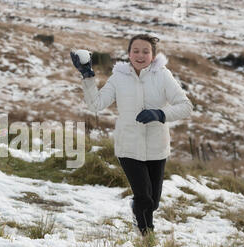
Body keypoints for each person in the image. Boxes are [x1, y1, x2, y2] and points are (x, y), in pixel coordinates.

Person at [70, 34, 193, 236]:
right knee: (143, 198)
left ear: (153, 55)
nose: (140, 55)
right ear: (129, 54)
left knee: (153, 203)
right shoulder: (119, 77)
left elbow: (186, 106)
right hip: (128, 146)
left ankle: (145, 228)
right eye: (135, 50)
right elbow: (95, 104)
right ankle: (146, 237)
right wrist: (87, 76)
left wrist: (160, 114)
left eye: (146, 51)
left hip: (157, 148)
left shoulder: (163, 75)